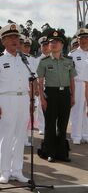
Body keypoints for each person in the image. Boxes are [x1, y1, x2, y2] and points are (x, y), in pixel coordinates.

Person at [0, 23, 31, 184]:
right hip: (6, 100)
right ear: (3, 41)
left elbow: (31, 79)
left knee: (20, 137)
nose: (15, 40)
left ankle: (17, 170)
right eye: (11, 38)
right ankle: (5, 171)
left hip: (23, 99)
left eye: (17, 37)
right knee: (6, 137)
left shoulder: (25, 59)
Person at [37, 30, 75, 162]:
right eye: (51, 42)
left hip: (65, 94)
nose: (54, 44)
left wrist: (72, 96)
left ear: (62, 45)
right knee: (50, 125)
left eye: (57, 42)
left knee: (63, 125)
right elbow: (40, 82)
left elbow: (72, 80)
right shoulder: (44, 61)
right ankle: (50, 153)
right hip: (50, 94)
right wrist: (42, 98)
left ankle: (62, 153)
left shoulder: (69, 61)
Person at [68, 28, 88, 144]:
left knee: (87, 111)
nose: (84, 40)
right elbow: (69, 73)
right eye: (81, 38)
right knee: (77, 110)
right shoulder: (73, 54)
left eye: (86, 38)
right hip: (78, 84)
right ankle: (76, 136)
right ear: (78, 40)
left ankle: (86, 134)